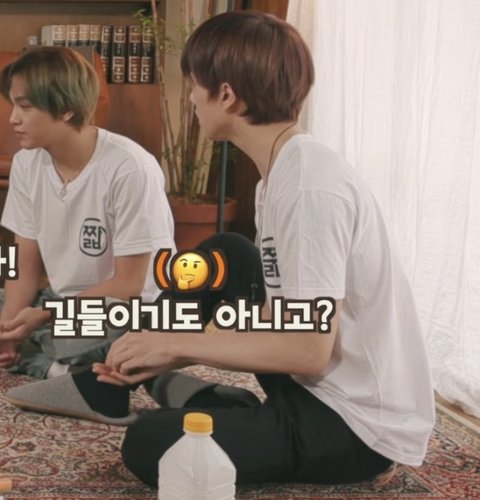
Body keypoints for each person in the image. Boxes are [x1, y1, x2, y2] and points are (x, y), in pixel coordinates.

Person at [5, 12, 435, 488]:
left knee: (148, 445)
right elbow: (279, 314)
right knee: (228, 252)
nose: (191, 98)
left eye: (194, 85)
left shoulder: (308, 187)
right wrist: (173, 353)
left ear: (226, 94)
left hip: (354, 426)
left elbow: (308, 349)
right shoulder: (282, 173)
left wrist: (174, 341)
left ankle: (172, 389)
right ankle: (149, 383)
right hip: (310, 386)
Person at [0, 46, 175, 379]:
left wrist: (45, 315)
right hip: (57, 301)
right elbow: (22, 265)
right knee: (14, 312)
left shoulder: (130, 168)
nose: (13, 119)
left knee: (99, 327)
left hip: (125, 308)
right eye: (14, 105)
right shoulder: (26, 164)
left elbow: (130, 283)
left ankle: (51, 362)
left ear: (66, 109)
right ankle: (64, 367)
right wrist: (8, 328)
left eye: (26, 106)